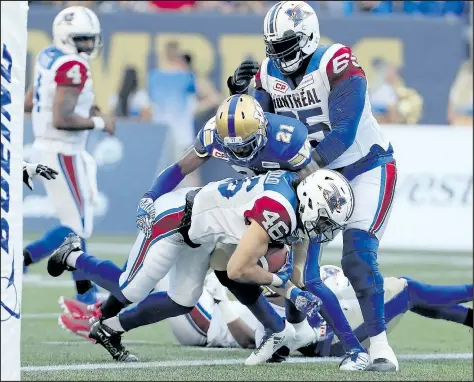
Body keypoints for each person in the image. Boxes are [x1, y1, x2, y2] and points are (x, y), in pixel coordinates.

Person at [133, 92, 368, 370]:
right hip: (260, 206)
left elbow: (309, 184)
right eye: (233, 147)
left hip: (294, 206)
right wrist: (151, 194)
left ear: (262, 130)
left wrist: (295, 224)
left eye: (247, 145)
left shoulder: (287, 139)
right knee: (226, 263)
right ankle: (283, 327)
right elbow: (180, 167)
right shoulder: (214, 133)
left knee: (305, 277)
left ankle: (352, 349)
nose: (241, 153)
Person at [226, 0, 399, 371]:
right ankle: (297, 328)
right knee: (304, 270)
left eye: (285, 45)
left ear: (307, 38)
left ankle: (382, 347)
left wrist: (294, 172)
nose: (277, 54)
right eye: (272, 46)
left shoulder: (336, 62)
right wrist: (239, 95)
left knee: (358, 259)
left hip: (363, 165)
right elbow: (253, 126)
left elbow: (342, 134)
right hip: (316, 174)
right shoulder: (269, 72)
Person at [46, 169, 351, 364]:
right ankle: (74, 255)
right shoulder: (280, 209)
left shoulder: (293, 201)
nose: (324, 229)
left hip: (203, 233)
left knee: (183, 300)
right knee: (131, 287)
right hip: (176, 218)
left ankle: (110, 328)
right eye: (325, 220)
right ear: (310, 201)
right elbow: (236, 270)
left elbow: (294, 264)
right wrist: (286, 288)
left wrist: (294, 298)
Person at [22, 6, 116, 305]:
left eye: (91, 39)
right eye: (82, 39)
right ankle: (22, 257)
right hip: (63, 150)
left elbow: (30, 101)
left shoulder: (49, 55)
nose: (88, 46)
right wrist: (100, 122)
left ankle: (86, 292)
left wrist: (82, 109)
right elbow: (62, 117)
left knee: (75, 221)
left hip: (48, 147)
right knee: (75, 227)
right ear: (68, 37)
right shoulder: (73, 65)